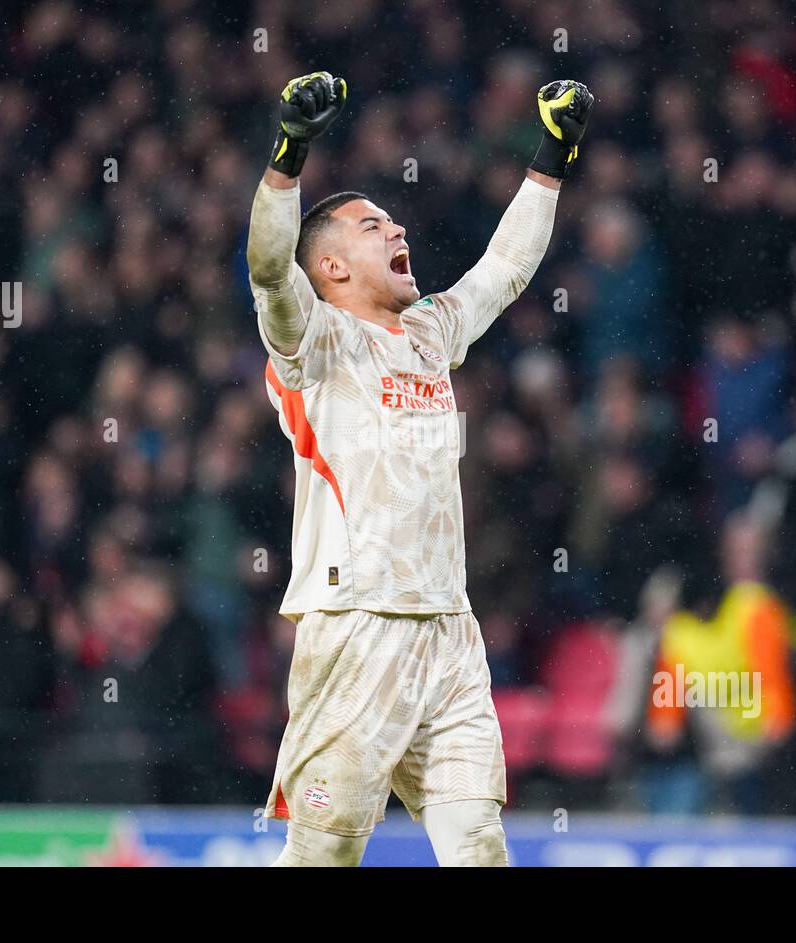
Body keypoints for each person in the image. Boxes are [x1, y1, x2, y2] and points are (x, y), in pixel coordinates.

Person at [247, 71, 593, 866]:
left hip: (448, 629)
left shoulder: (432, 332)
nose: (396, 229)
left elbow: (504, 269)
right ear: (331, 268)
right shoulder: (315, 342)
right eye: (373, 226)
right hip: (357, 625)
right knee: (323, 855)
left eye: (394, 220)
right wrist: (288, 155)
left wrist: (552, 155)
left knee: (478, 846)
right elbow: (270, 269)